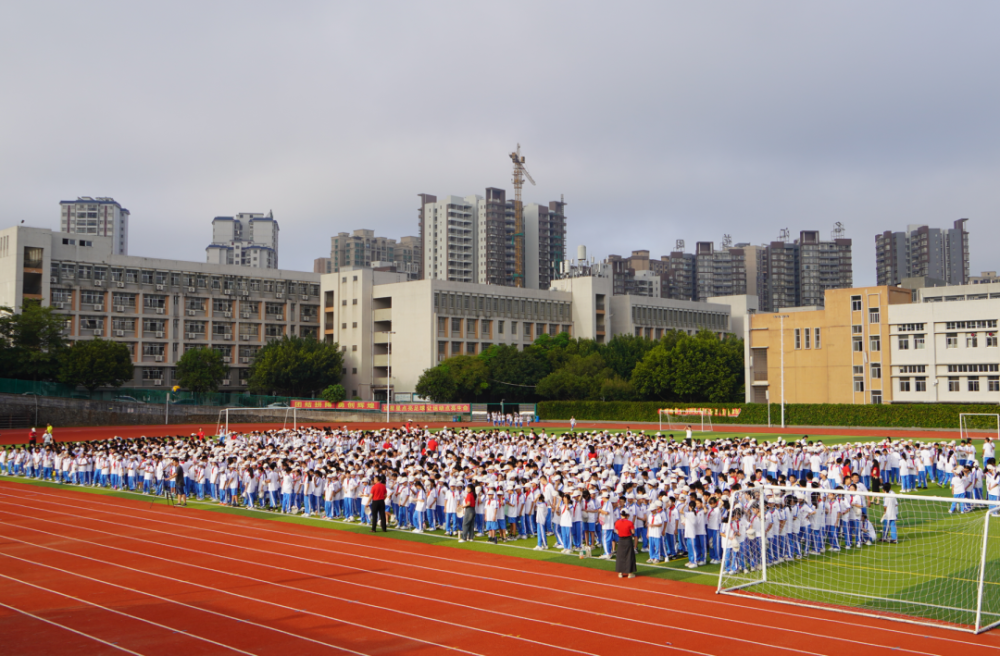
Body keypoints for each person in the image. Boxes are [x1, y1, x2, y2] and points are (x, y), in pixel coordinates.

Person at [614, 509, 637, 579]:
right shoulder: (630, 523)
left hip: (621, 540)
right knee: (629, 556)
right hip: (628, 540)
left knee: (620, 556)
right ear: (627, 515)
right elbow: (633, 532)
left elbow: (617, 532)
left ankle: (620, 573)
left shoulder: (617, 522)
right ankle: (630, 573)